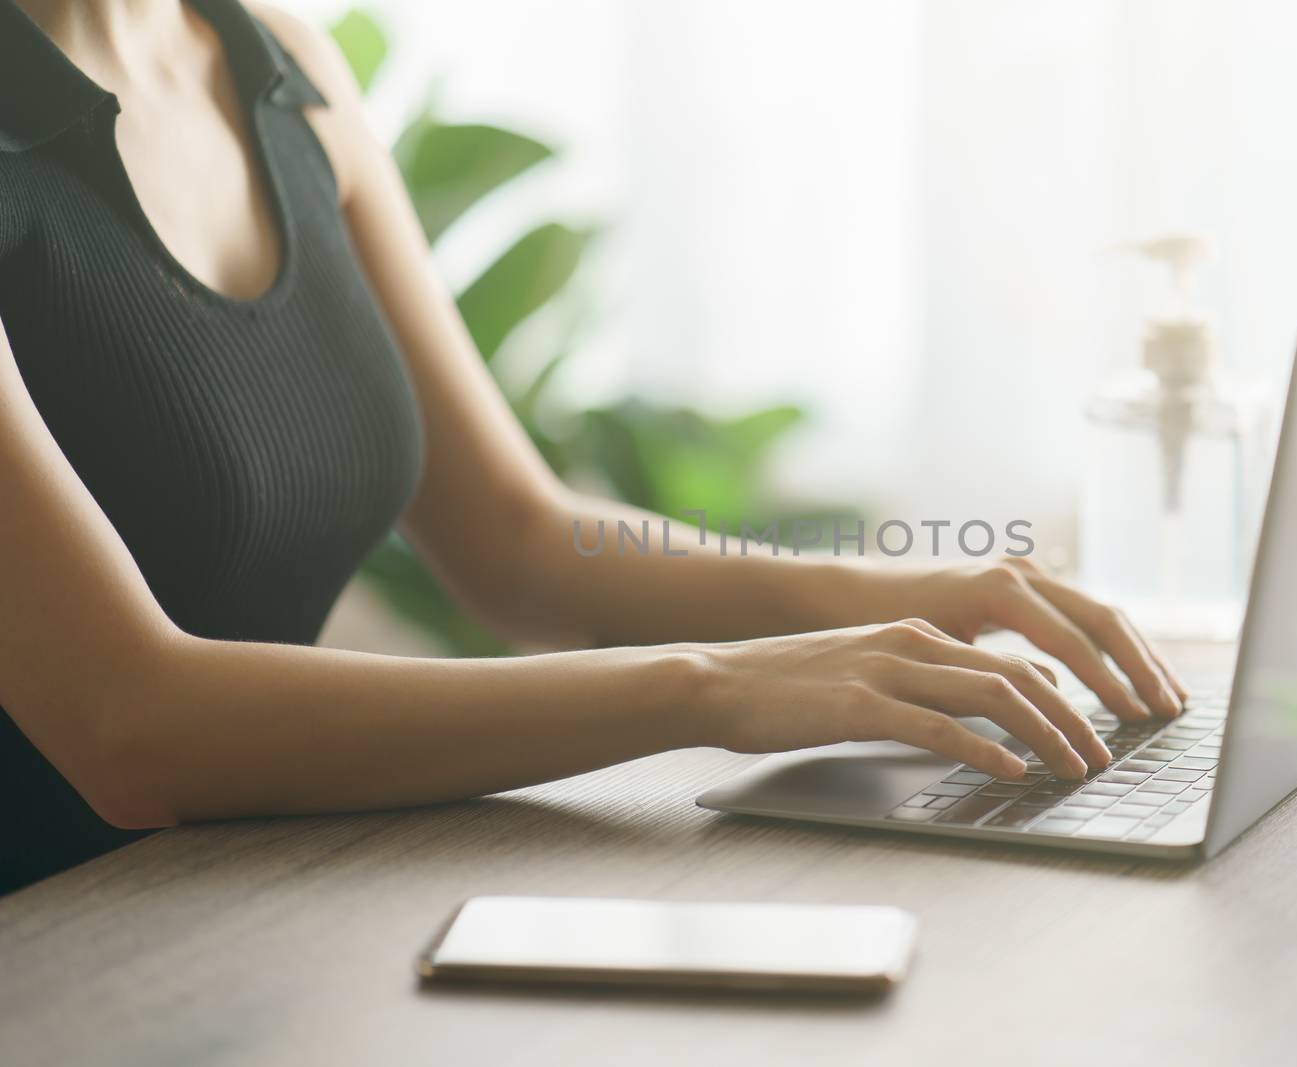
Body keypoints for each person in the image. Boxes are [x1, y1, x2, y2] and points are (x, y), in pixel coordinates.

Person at [0, 0, 1185, 894]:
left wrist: (906, 597)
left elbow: (520, 536)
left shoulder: (281, 65)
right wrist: (706, 688)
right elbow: (131, 726)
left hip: (230, 901)